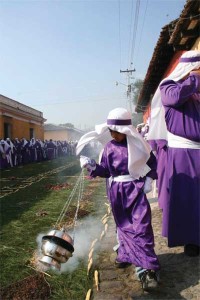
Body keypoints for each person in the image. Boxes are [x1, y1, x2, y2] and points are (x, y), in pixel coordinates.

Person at [76, 107, 160, 290]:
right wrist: (91, 166)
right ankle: (125, 254)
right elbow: (105, 170)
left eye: (116, 131)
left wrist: (149, 179)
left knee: (141, 227)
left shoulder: (139, 145)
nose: (112, 135)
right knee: (122, 226)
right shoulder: (109, 147)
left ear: (125, 130)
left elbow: (153, 164)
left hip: (135, 191)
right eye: (111, 131)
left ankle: (148, 270)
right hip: (116, 192)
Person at [147, 50, 200, 256]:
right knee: (187, 198)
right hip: (183, 153)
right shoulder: (169, 86)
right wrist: (194, 78)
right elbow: (173, 98)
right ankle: (191, 239)